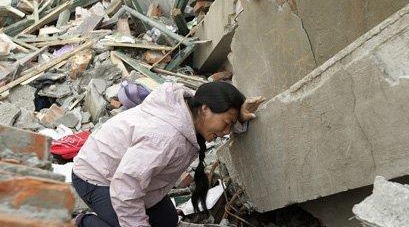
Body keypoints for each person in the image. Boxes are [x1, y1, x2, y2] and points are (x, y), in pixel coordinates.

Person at [72, 81, 265, 227]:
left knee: (167, 222)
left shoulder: (191, 110)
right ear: (205, 109)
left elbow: (133, 180)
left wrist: (239, 117)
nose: (225, 132)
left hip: (132, 178)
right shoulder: (165, 138)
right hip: (96, 176)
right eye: (227, 123)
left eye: (230, 125)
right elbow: (126, 186)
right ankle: (84, 222)